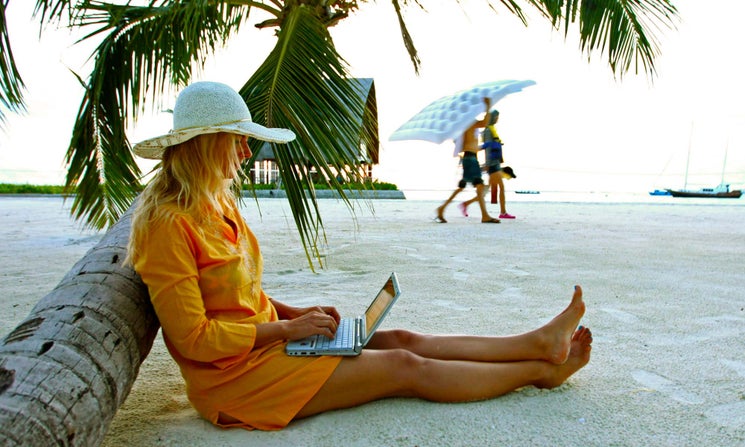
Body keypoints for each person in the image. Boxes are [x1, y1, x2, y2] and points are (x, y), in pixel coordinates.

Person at [126, 81, 593, 431]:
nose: (248, 151)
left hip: (261, 346)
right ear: (208, 143)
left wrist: (296, 315)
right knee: (404, 368)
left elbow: (239, 297)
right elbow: (195, 340)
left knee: (400, 338)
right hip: (234, 381)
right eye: (239, 139)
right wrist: (288, 329)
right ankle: (539, 373)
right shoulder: (167, 225)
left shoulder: (217, 202)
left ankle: (535, 344)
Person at [435, 98, 500, 224]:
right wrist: (487, 107)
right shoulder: (470, 122)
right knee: (479, 186)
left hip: (469, 158)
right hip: (470, 159)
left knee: (464, 186)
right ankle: (485, 216)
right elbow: (485, 123)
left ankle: (441, 209)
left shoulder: (467, 123)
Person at [461, 109, 515, 219]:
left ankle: (466, 204)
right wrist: (488, 163)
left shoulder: (491, 129)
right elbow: (487, 148)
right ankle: (503, 212)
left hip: (495, 163)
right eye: (496, 117)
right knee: (500, 187)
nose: (497, 119)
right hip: (493, 164)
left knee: (486, 190)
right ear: (492, 118)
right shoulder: (488, 131)